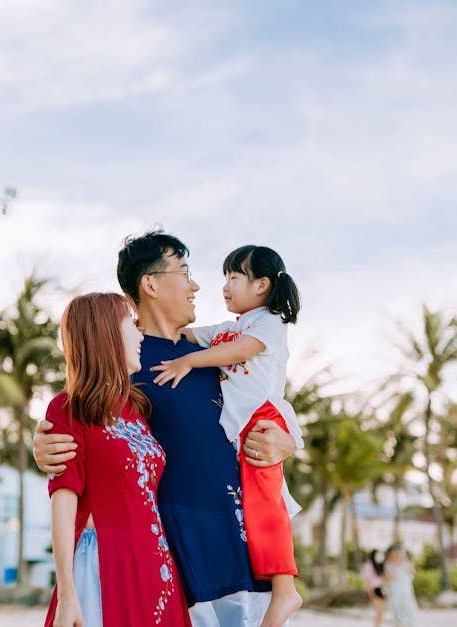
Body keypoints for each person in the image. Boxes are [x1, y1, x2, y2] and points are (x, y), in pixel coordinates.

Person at [34, 231, 298, 627]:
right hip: (179, 558)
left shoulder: (216, 354)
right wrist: (42, 443)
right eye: (185, 272)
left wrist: (288, 442)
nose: (196, 285)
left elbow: (266, 404)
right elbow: (84, 418)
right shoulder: (128, 361)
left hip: (249, 550)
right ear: (151, 283)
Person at [150, 244, 303, 627]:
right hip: (245, 425)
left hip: (261, 417)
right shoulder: (234, 326)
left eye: (234, 277)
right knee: (259, 503)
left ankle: (285, 590)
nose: (223, 287)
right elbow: (193, 334)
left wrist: (187, 361)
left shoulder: (267, 322)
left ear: (263, 285)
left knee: (268, 503)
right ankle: (281, 589)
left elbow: (240, 351)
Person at [44, 292, 191, 627]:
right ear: (105, 332)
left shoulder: (135, 411)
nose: (140, 335)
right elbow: (63, 504)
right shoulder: (68, 408)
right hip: (104, 567)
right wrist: (68, 592)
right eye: (132, 326)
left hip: (156, 567)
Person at [384, 545, 418, 627]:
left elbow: (412, 572)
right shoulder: (388, 564)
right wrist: (397, 565)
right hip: (395, 591)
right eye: (392, 553)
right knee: (397, 613)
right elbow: (389, 578)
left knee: (409, 612)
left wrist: (405, 561)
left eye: (396, 552)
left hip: (406, 591)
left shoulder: (405, 563)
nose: (394, 554)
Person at [361, 550, 385, 627]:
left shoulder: (379, 565)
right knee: (378, 611)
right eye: (378, 554)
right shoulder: (368, 565)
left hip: (380, 589)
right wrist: (370, 593)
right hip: (374, 589)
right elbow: (367, 580)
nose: (380, 556)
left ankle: (378, 625)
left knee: (381, 612)